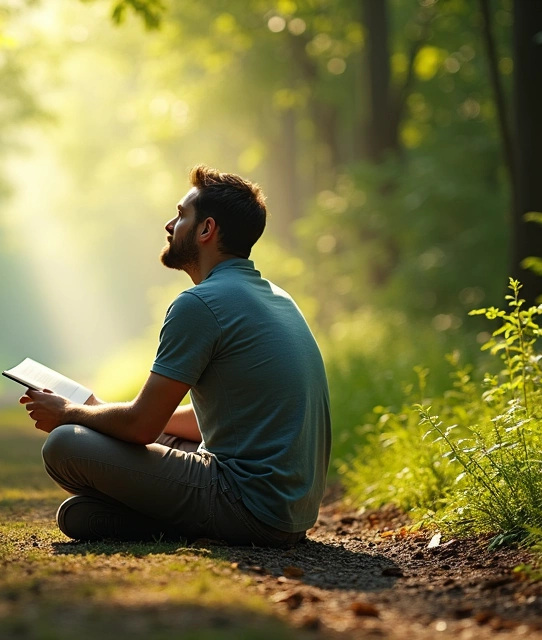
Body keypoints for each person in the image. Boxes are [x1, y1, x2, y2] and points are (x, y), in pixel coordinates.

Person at [20, 165, 330, 547]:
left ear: (206, 230)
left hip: (248, 505)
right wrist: (99, 409)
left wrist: (69, 413)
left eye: (182, 215)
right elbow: (220, 420)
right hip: (290, 513)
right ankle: (180, 521)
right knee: (78, 513)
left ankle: (191, 522)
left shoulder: (201, 303)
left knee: (65, 444)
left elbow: (140, 428)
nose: (170, 224)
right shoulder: (278, 298)